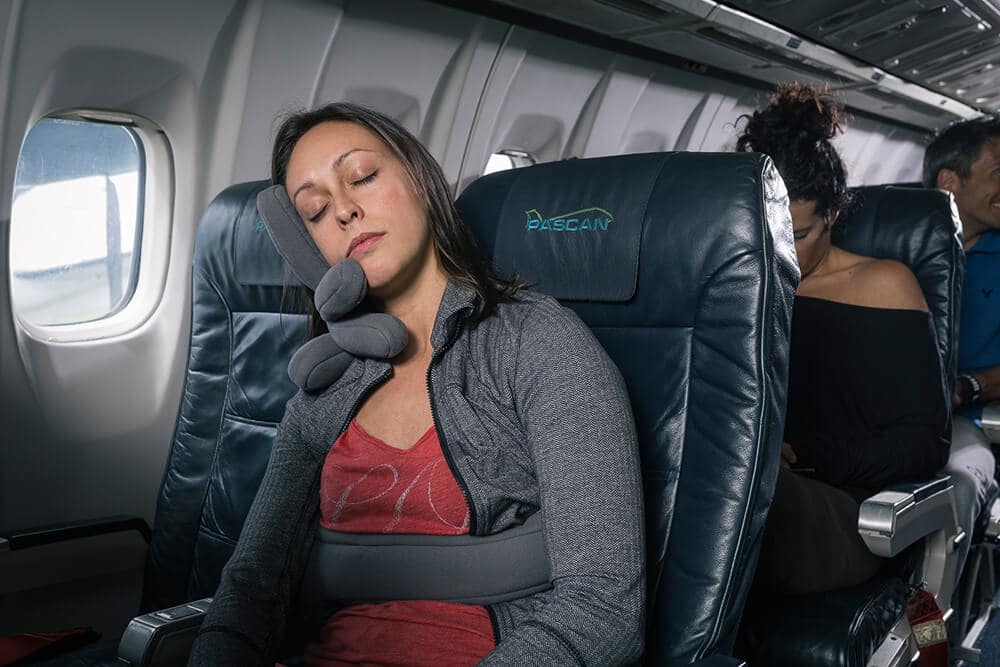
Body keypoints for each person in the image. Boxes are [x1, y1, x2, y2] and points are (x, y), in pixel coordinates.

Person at [187, 103, 645, 666]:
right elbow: (252, 586)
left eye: (362, 177)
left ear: (421, 180)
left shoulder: (536, 343)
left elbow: (604, 606)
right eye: (316, 210)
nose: (346, 212)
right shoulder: (322, 395)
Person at [736, 83, 950, 593]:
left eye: (799, 234)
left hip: (841, 511)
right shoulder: (737, 282)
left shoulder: (883, 284)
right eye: (766, 231)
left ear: (832, 214)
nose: (780, 250)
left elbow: (924, 442)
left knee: (746, 487)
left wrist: (800, 453)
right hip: (746, 480)